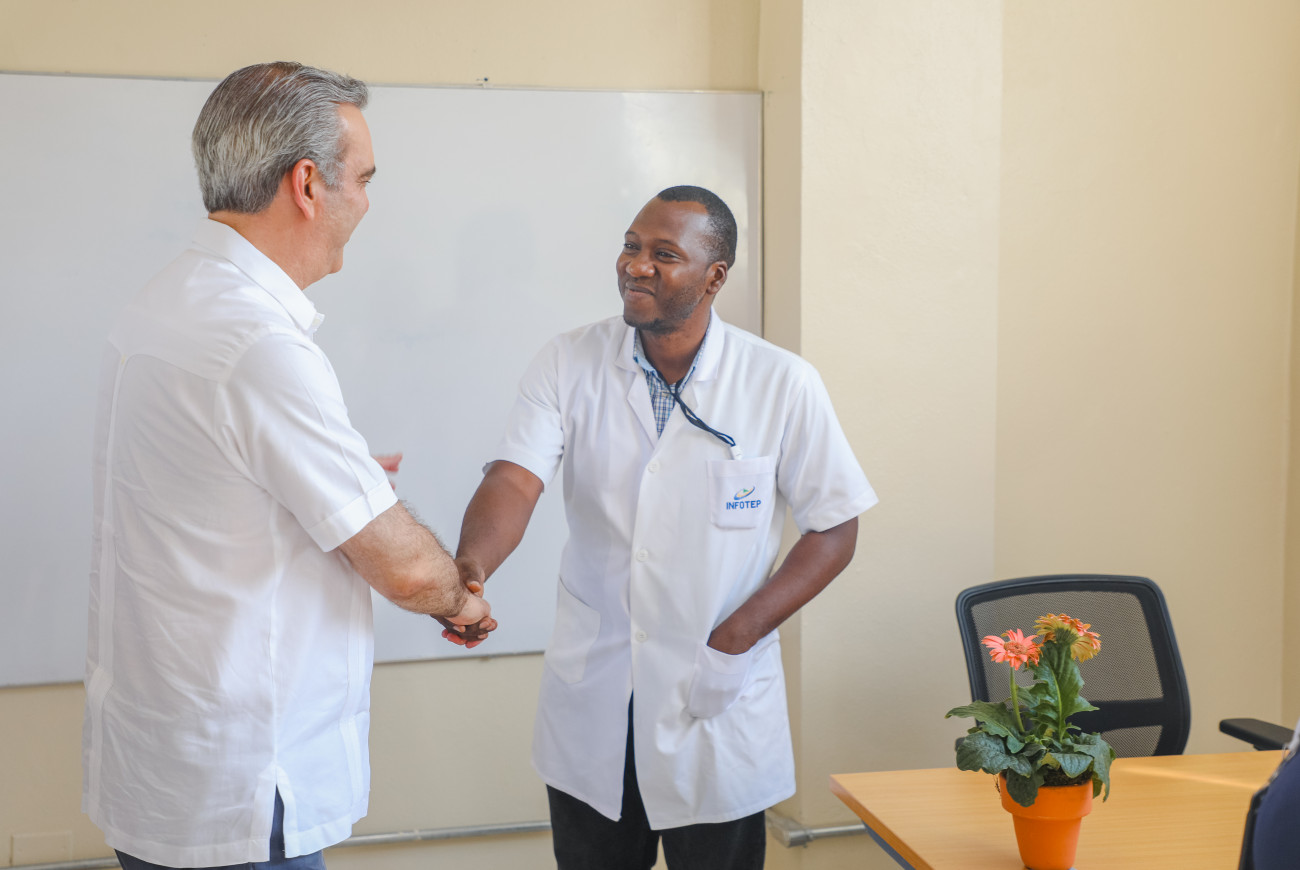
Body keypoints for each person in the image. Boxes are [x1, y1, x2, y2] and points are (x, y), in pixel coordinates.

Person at [82, 62, 490, 870]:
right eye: (362, 180)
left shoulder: (168, 300)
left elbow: (218, 487)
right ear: (307, 185)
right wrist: (462, 600)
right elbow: (406, 569)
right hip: (243, 788)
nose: (365, 203)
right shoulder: (257, 345)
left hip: (170, 771)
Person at [448, 185, 877, 869]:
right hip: (596, 697)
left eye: (664, 254)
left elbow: (834, 529)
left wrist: (737, 636)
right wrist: (468, 574)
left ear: (715, 276)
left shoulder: (780, 382)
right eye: (631, 246)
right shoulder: (568, 360)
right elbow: (514, 479)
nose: (635, 265)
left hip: (714, 698)